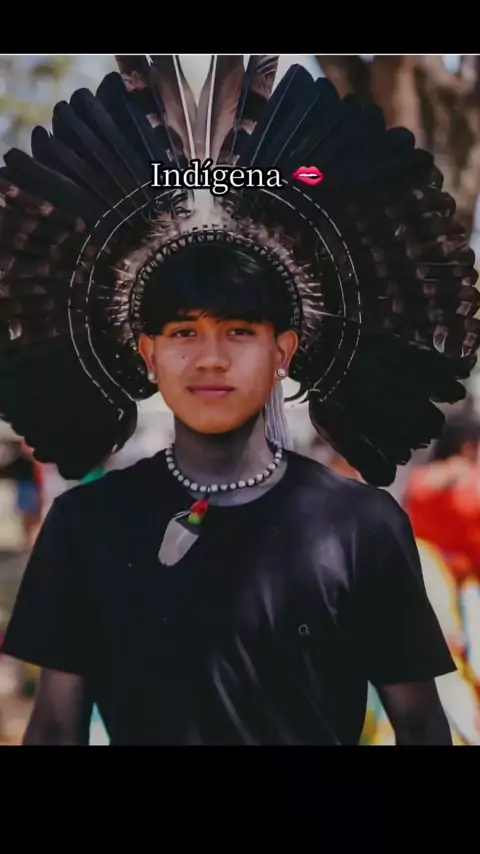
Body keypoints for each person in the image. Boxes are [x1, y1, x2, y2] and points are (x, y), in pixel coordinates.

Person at [0, 54, 479, 745]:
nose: (211, 358)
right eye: (183, 333)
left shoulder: (361, 527)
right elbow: (53, 729)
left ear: (284, 350)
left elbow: (422, 727)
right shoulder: (84, 527)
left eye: (239, 331)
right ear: (148, 354)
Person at [403, 413, 480, 744]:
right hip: (467, 586)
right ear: (469, 446)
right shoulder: (472, 480)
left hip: (430, 583)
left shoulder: (419, 481)